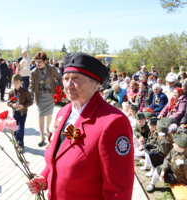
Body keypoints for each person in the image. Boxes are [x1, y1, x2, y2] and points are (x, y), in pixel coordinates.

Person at [26, 52, 134, 200]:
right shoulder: (65, 112)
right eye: (66, 78)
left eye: (76, 78)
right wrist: (45, 177)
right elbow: (60, 153)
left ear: (96, 84)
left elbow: (118, 189)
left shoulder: (113, 122)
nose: (69, 84)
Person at [29, 51, 62, 146]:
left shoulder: (52, 69)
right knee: (40, 115)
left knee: (49, 113)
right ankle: (42, 136)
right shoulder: (33, 72)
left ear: (45, 61)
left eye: (39, 62)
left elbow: (59, 78)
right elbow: (31, 86)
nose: (37, 64)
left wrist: (61, 89)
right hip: (39, 96)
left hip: (51, 96)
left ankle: (47, 128)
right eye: (36, 62)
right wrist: (30, 95)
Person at [7, 74, 33, 153]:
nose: (15, 84)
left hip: (22, 113)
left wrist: (23, 106)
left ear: (21, 82)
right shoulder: (11, 92)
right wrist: (12, 104)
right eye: (14, 82)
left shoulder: (25, 92)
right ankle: (16, 141)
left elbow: (30, 102)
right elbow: (8, 102)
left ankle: (21, 143)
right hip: (15, 113)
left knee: (20, 128)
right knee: (14, 128)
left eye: (17, 82)